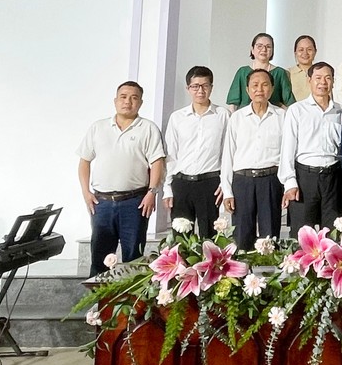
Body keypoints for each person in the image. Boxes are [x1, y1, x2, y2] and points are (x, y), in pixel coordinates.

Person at [77, 81, 165, 275]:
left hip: (135, 202)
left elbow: (157, 162)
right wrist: (85, 192)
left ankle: (132, 295)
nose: (128, 102)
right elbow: (84, 161)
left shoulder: (148, 128)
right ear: (115, 100)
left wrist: (152, 192)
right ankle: (98, 295)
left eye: (134, 98)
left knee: (133, 257)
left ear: (140, 103)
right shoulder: (98, 127)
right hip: (102, 202)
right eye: (123, 97)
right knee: (100, 257)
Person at [221, 69, 286, 250]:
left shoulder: (282, 117)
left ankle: (269, 268)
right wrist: (227, 191)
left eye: (265, 85)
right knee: (241, 237)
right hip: (243, 181)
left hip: (271, 180)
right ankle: (243, 268)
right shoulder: (237, 118)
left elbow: (287, 153)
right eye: (255, 85)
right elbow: (228, 155)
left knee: (270, 238)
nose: (260, 90)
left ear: (272, 89)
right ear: (247, 90)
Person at [280, 62, 342, 234]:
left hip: (333, 177)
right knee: (303, 233)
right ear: (309, 80)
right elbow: (288, 149)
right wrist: (290, 182)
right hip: (305, 178)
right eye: (318, 78)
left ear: (333, 81)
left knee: (334, 232)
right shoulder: (296, 110)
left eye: (328, 78)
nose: (323, 82)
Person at [163, 66, 229, 237]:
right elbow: (171, 155)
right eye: (195, 86)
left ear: (211, 87)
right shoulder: (177, 117)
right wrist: (167, 188)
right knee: (181, 238)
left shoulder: (222, 115)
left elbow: (227, 153)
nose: (200, 91)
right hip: (181, 183)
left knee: (210, 238)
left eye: (205, 86)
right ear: (188, 88)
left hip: (210, 183)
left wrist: (225, 183)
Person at [226, 33, 294, 111]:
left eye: (268, 47)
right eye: (259, 46)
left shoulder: (280, 73)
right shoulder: (242, 72)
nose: (264, 49)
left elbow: (289, 103)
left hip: (272, 115)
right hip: (245, 116)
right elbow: (233, 103)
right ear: (252, 49)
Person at [287, 35, 317, 102]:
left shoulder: (321, 73)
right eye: (301, 50)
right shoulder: (287, 73)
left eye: (309, 49)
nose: (305, 53)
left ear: (315, 52)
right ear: (295, 53)